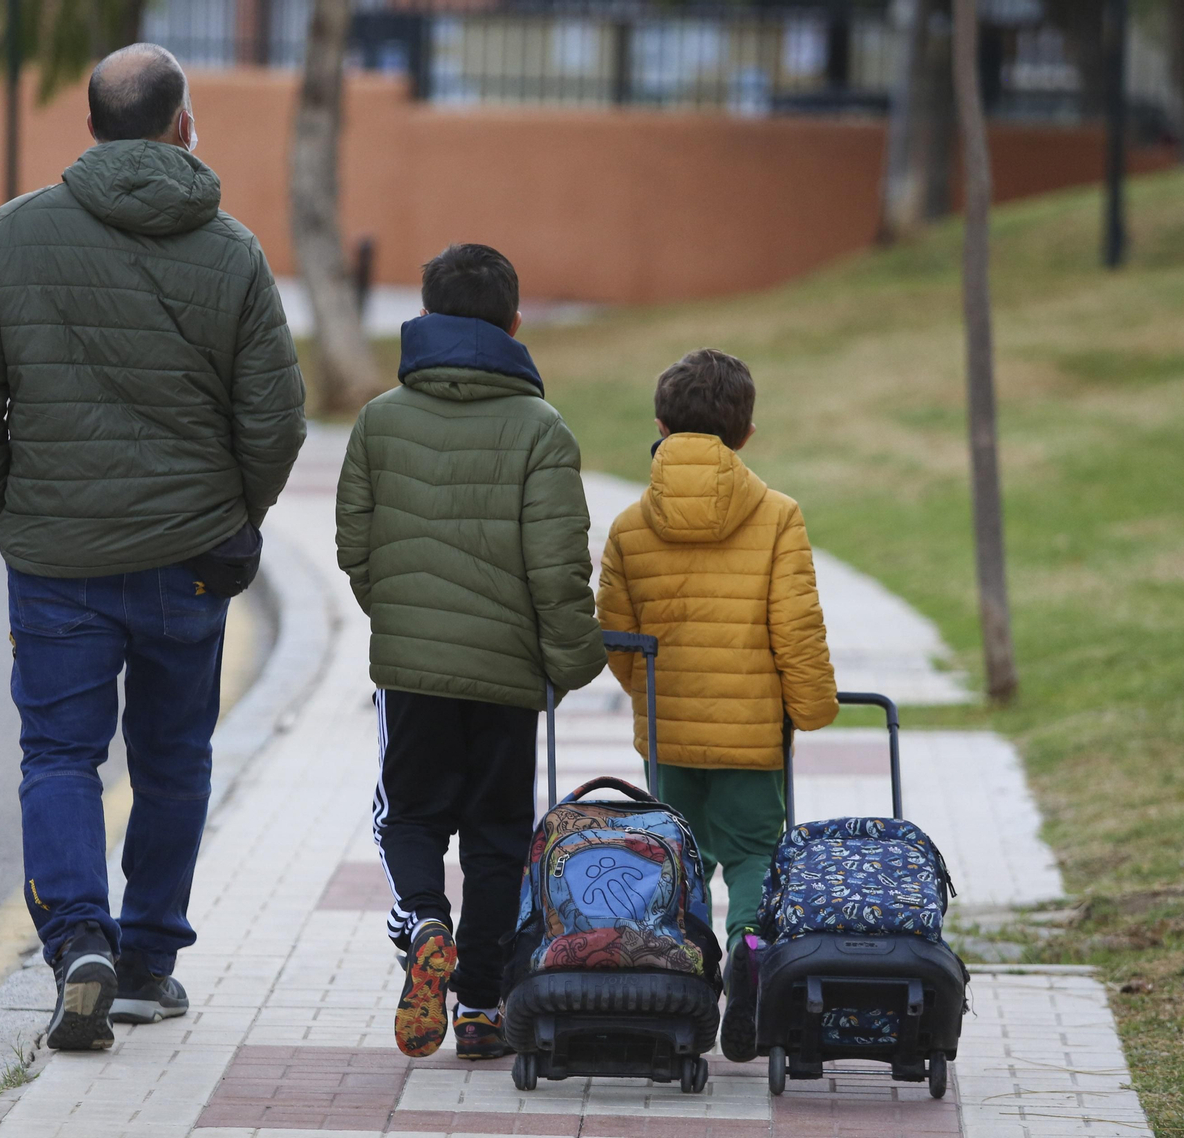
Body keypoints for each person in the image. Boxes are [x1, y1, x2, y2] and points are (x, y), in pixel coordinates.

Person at [0, 43, 305, 1051]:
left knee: (59, 752)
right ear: (182, 123)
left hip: (57, 560)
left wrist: (1, 514)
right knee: (174, 758)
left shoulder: (17, 235)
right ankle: (145, 963)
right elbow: (274, 420)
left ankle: (77, 944)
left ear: (92, 126)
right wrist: (240, 517)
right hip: (189, 557)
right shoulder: (230, 250)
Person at [336, 244, 605, 1060]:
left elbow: (355, 546)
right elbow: (559, 569)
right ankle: (482, 1006)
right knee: (496, 837)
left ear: (423, 315)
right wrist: (573, 662)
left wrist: (404, 619)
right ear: (515, 324)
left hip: (411, 673)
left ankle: (423, 922)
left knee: (409, 817)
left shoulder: (381, 419)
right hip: (506, 678)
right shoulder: (542, 430)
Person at [595, 347, 838, 1063]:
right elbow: (796, 628)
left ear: (661, 424)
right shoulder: (778, 516)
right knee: (756, 854)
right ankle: (753, 954)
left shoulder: (630, 525)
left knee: (680, 861)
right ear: (747, 433)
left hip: (670, 736)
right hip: (754, 734)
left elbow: (615, 633)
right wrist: (812, 708)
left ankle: (680, 989)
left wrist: (650, 698)